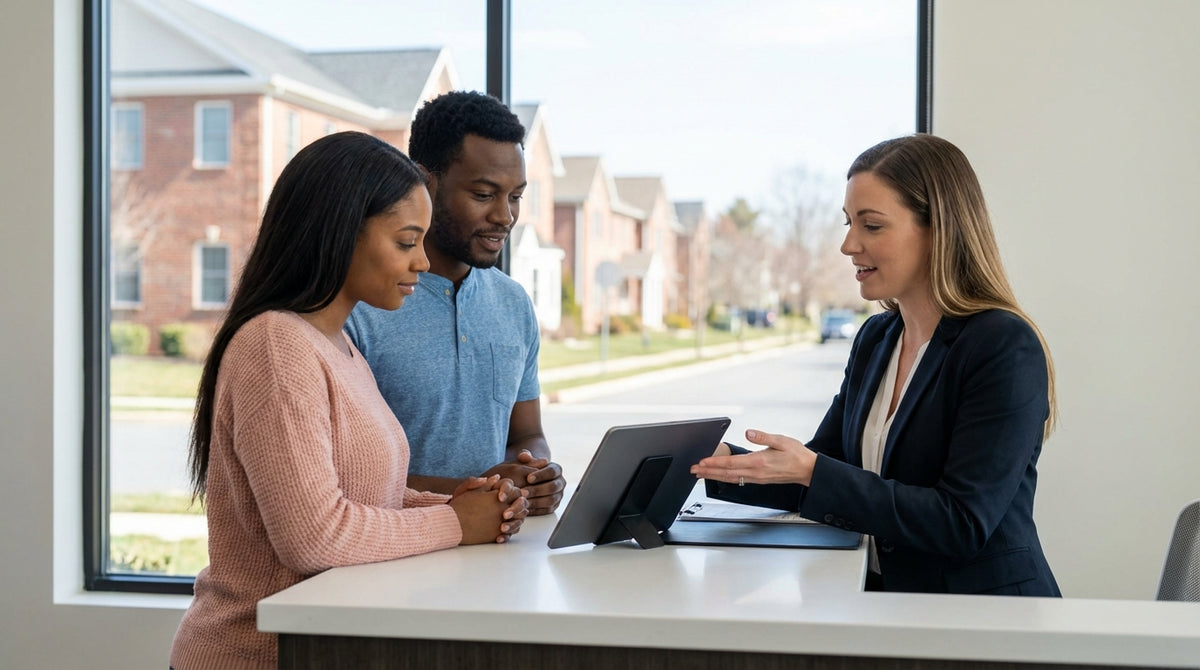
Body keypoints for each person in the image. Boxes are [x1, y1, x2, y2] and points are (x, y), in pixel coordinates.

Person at [170, 131, 528, 670]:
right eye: (407, 243)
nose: (422, 264)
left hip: (322, 645)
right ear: (339, 235)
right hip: (257, 654)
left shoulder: (337, 347)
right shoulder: (275, 345)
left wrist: (476, 505)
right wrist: (457, 524)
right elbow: (315, 537)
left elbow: (366, 495)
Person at [692, 134, 1060, 596]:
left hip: (986, 618)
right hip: (884, 605)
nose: (848, 244)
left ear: (938, 228)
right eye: (849, 223)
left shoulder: (1002, 346)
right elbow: (824, 472)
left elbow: (963, 522)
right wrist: (725, 464)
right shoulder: (877, 338)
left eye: (872, 226)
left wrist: (813, 471)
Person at [345, 91, 566, 515]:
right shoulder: (360, 304)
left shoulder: (513, 303)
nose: (505, 216)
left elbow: (525, 435)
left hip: (493, 556)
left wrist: (536, 474)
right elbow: (344, 476)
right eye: (484, 195)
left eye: (515, 196)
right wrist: (480, 492)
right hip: (385, 562)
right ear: (426, 182)